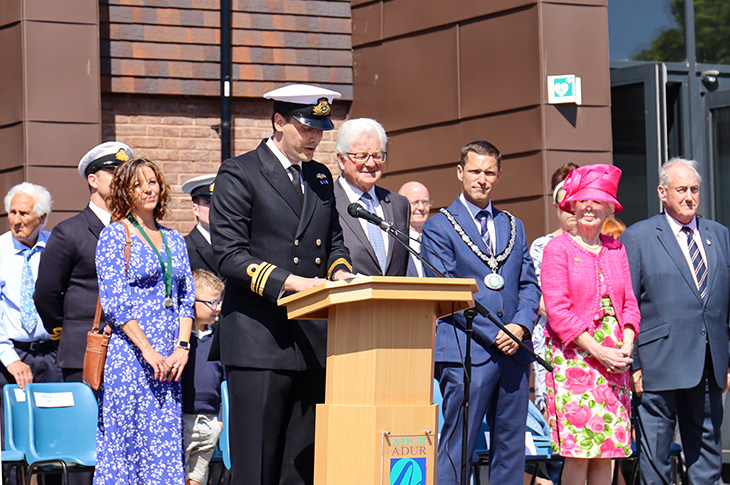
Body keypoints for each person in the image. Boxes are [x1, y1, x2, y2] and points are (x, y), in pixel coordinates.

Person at [209, 83, 353, 484]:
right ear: (278, 122)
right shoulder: (240, 172)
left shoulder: (321, 177)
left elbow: (334, 240)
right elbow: (230, 254)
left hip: (310, 340)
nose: (314, 138)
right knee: (256, 467)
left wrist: (340, 273)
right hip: (259, 337)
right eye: (306, 128)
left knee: (300, 469)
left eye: (320, 130)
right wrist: (290, 282)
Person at [421, 140, 540, 484]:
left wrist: (518, 326)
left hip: (514, 352)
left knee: (510, 451)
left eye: (489, 172)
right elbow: (446, 291)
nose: (482, 179)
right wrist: (497, 333)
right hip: (466, 351)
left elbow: (530, 285)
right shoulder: (439, 226)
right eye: (475, 171)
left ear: (499, 175)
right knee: (458, 448)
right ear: (460, 173)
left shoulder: (513, 225)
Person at [620, 158, 730, 484]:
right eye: (680, 189)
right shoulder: (638, 237)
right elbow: (627, 304)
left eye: (694, 189)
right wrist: (634, 364)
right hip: (657, 364)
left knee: (707, 454)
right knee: (655, 458)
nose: (688, 197)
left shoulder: (720, 235)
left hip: (709, 362)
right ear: (662, 192)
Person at [94, 158, 194, 484]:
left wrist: (182, 347)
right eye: (138, 184)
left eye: (151, 181)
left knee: (163, 446)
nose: (148, 189)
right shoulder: (114, 236)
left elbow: (186, 300)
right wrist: (148, 351)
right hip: (131, 358)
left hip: (169, 360)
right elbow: (116, 305)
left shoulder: (176, 239)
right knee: (125, 444)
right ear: (125, 191)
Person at [540, 164, 640, 485]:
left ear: (609, 207)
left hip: (615, 362)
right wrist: (600, 352)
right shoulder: (558, 249)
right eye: (582, 200)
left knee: (607, 452)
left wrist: (626, 344)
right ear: (571, 204)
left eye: (597, 201)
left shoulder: (617, 249)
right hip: (576, 361)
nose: (588, 207)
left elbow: (629, 305)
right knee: (580, 452)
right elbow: (558, 312)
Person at [36, 141, 134, 384]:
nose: (121, 180)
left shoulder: (136, 231)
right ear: (93, 180)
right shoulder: (69, 232)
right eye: (113, 173)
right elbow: (46, 293)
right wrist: (65, 332)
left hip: (130, 350)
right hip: (84, 350)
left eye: (125, 174)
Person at [0, 182, 62, 481]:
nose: (16, 219)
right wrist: (9, 358)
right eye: (11, 212)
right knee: (11, 442)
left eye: (24, 213)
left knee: (56, 438)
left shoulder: (56, 249)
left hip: (53, 354)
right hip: (10, 355)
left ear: (43, 217)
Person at [529, 162, 578, 413]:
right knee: (555, 413)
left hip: (595, 346)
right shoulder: (542, 246)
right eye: (565, 199)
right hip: (552, 342)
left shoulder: (602, 246)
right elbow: (540, 299)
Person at [334, 118, 410, 276]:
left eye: (377, 155)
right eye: (361, 156)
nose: (370, 163)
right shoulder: (326, 202)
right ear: (341, 160)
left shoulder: (399, 204)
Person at [182, 269, 225, 485]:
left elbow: (225, 384)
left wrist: (220, 421)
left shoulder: (219, 339)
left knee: (197, 478)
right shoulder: (178, 340)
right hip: (182, 421)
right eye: (212, 303)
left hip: (209, 423)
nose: (217, 308)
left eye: (219, 302)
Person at [182, 174, 220, 277]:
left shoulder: (236, 242)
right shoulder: (184, 247)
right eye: (208, 203)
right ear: (195, 209)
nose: (215, 208)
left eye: (219, 202)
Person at [398, 181, 431, 277]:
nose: (421, 208)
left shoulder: (436, 239)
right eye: (415, 202)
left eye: (425, 202)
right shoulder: (394, 240)